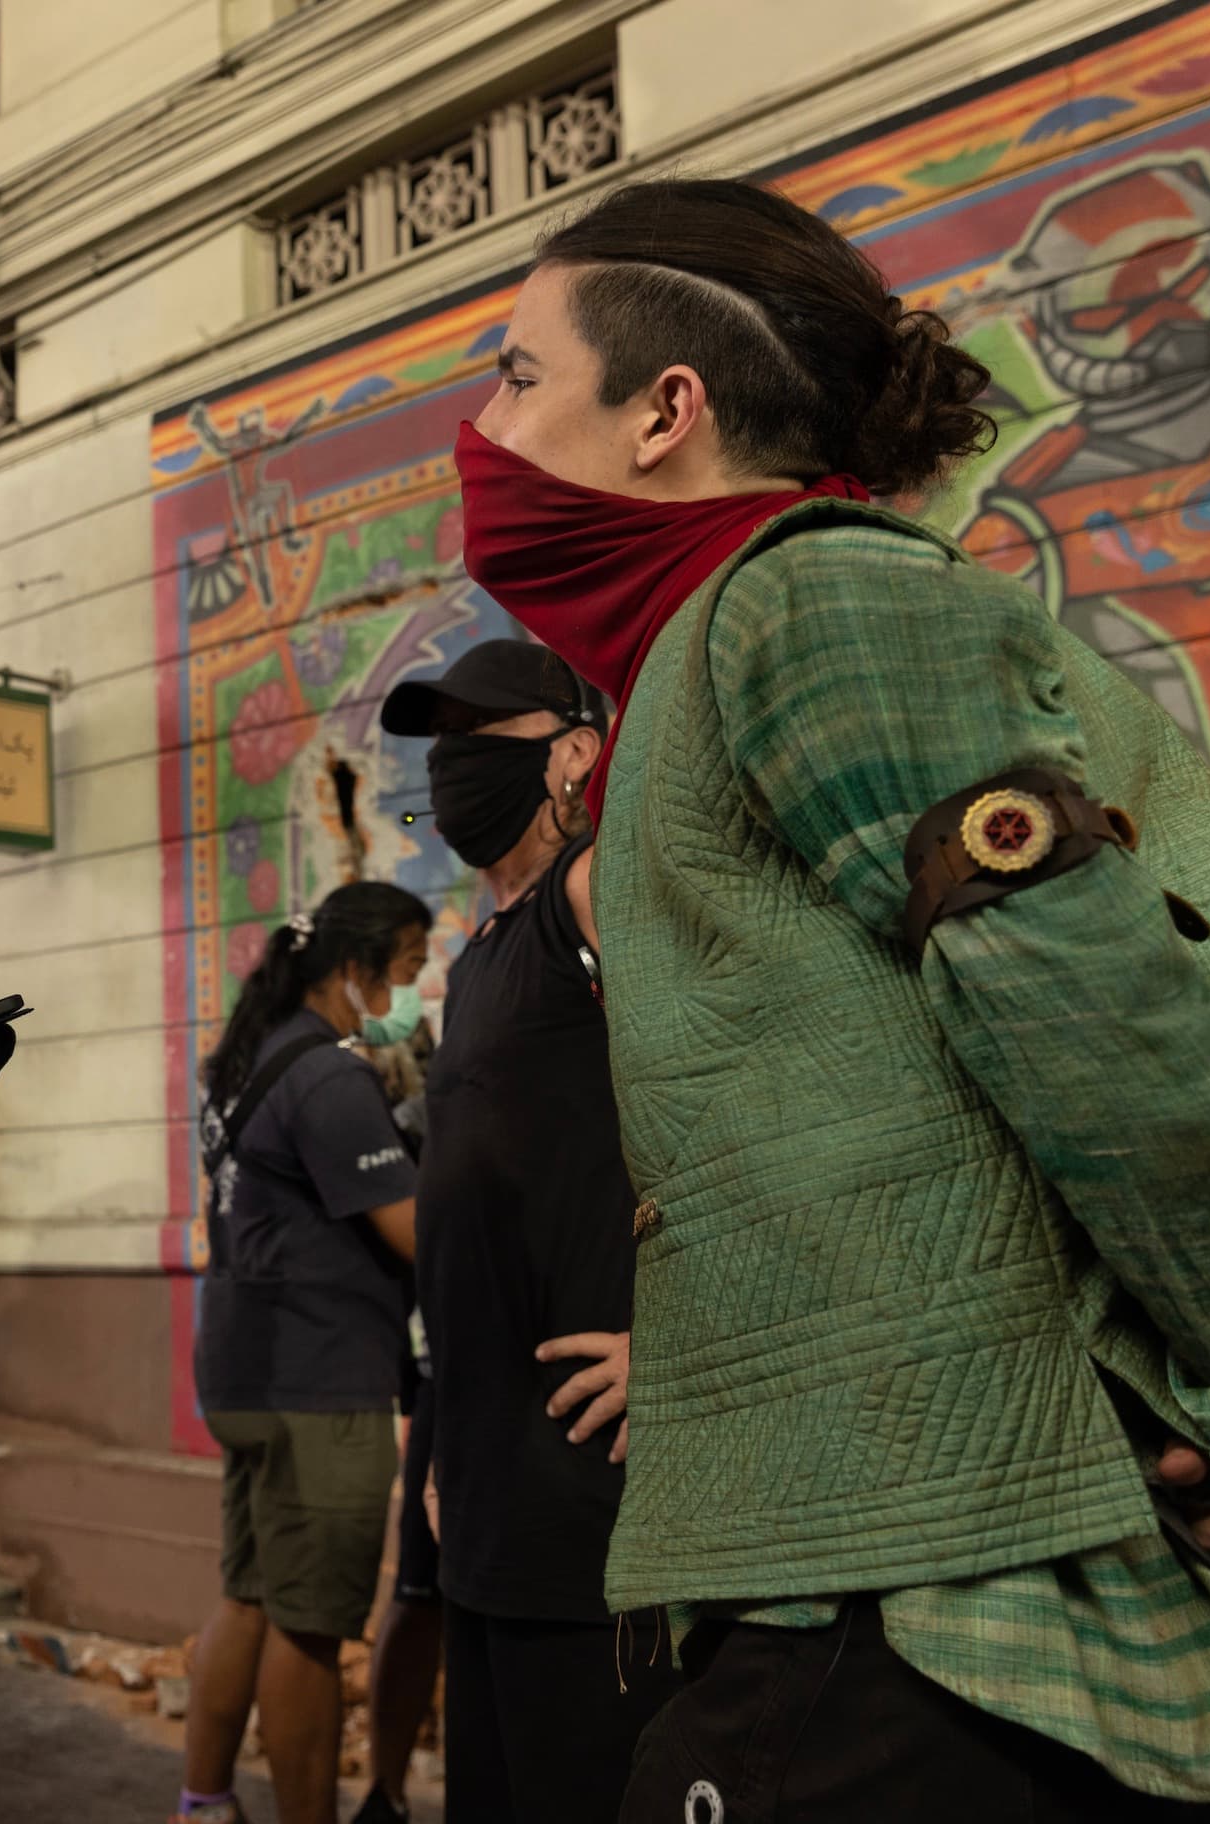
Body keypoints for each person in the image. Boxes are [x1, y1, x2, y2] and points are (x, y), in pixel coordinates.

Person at [456, 176, 1210, 1819]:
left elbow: (1107, 1018)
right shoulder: (716, 643)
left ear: (664, 411)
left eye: (516, 375)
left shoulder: (808, 597)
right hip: (884, 1591)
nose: (482, 432)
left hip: (932, 1631)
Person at [372, 641, 678, 1824]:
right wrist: (441, 1458)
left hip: (591, 1503)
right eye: (441, 743)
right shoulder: (478, 956)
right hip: (487, 1499)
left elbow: (752, 1119)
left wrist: (683, 1344)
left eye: (480, 737)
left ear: (574, 755)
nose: (451, 766)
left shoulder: (598, 897)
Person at [178, 882, 429, 1824]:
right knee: (311, 1628)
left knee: (248, 1596)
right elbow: (415, 1233)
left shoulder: (247, 1058)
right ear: (354, 969)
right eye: (408, 969)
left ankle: (203, 1803)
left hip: (244, 1368)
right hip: (318, 1380)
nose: (413, 989)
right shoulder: (328, 1078)